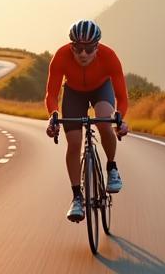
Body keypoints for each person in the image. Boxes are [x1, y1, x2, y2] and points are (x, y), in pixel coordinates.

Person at [43, 20, 129, 222]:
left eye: (89, 49)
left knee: (104, 121)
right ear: (71, 46)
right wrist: (52, 117)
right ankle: (77, 198)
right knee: (73, 144)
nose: (83, 54)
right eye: (78, 48)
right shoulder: (61, 56)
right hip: (73, 92)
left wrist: (120, 118)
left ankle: (112, 168)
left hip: (101, 89)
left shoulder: (109, 56)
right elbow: (51, 94)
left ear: (97, 47)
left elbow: (122, 98)